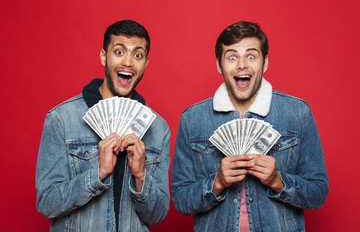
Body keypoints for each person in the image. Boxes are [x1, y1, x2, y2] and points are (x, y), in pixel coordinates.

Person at [171, 21, 328, 232]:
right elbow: (181, 200)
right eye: (232, 57)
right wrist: (216, 182)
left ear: (264, 64)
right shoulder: (192, 119)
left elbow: (318, 193)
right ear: (219, 65)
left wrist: (278, 181)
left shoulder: (298, 113)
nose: (241, 65)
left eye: (251, 56)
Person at [36, 20, 171, 231]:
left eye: (137, 55)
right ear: (103, 56)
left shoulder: (159, 129)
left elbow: (157, 215)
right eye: (119, 52)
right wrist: (97, 175)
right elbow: (47, 202)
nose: (128, 62)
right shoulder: (61, 119)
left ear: (145, 63)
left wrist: (141, 176)